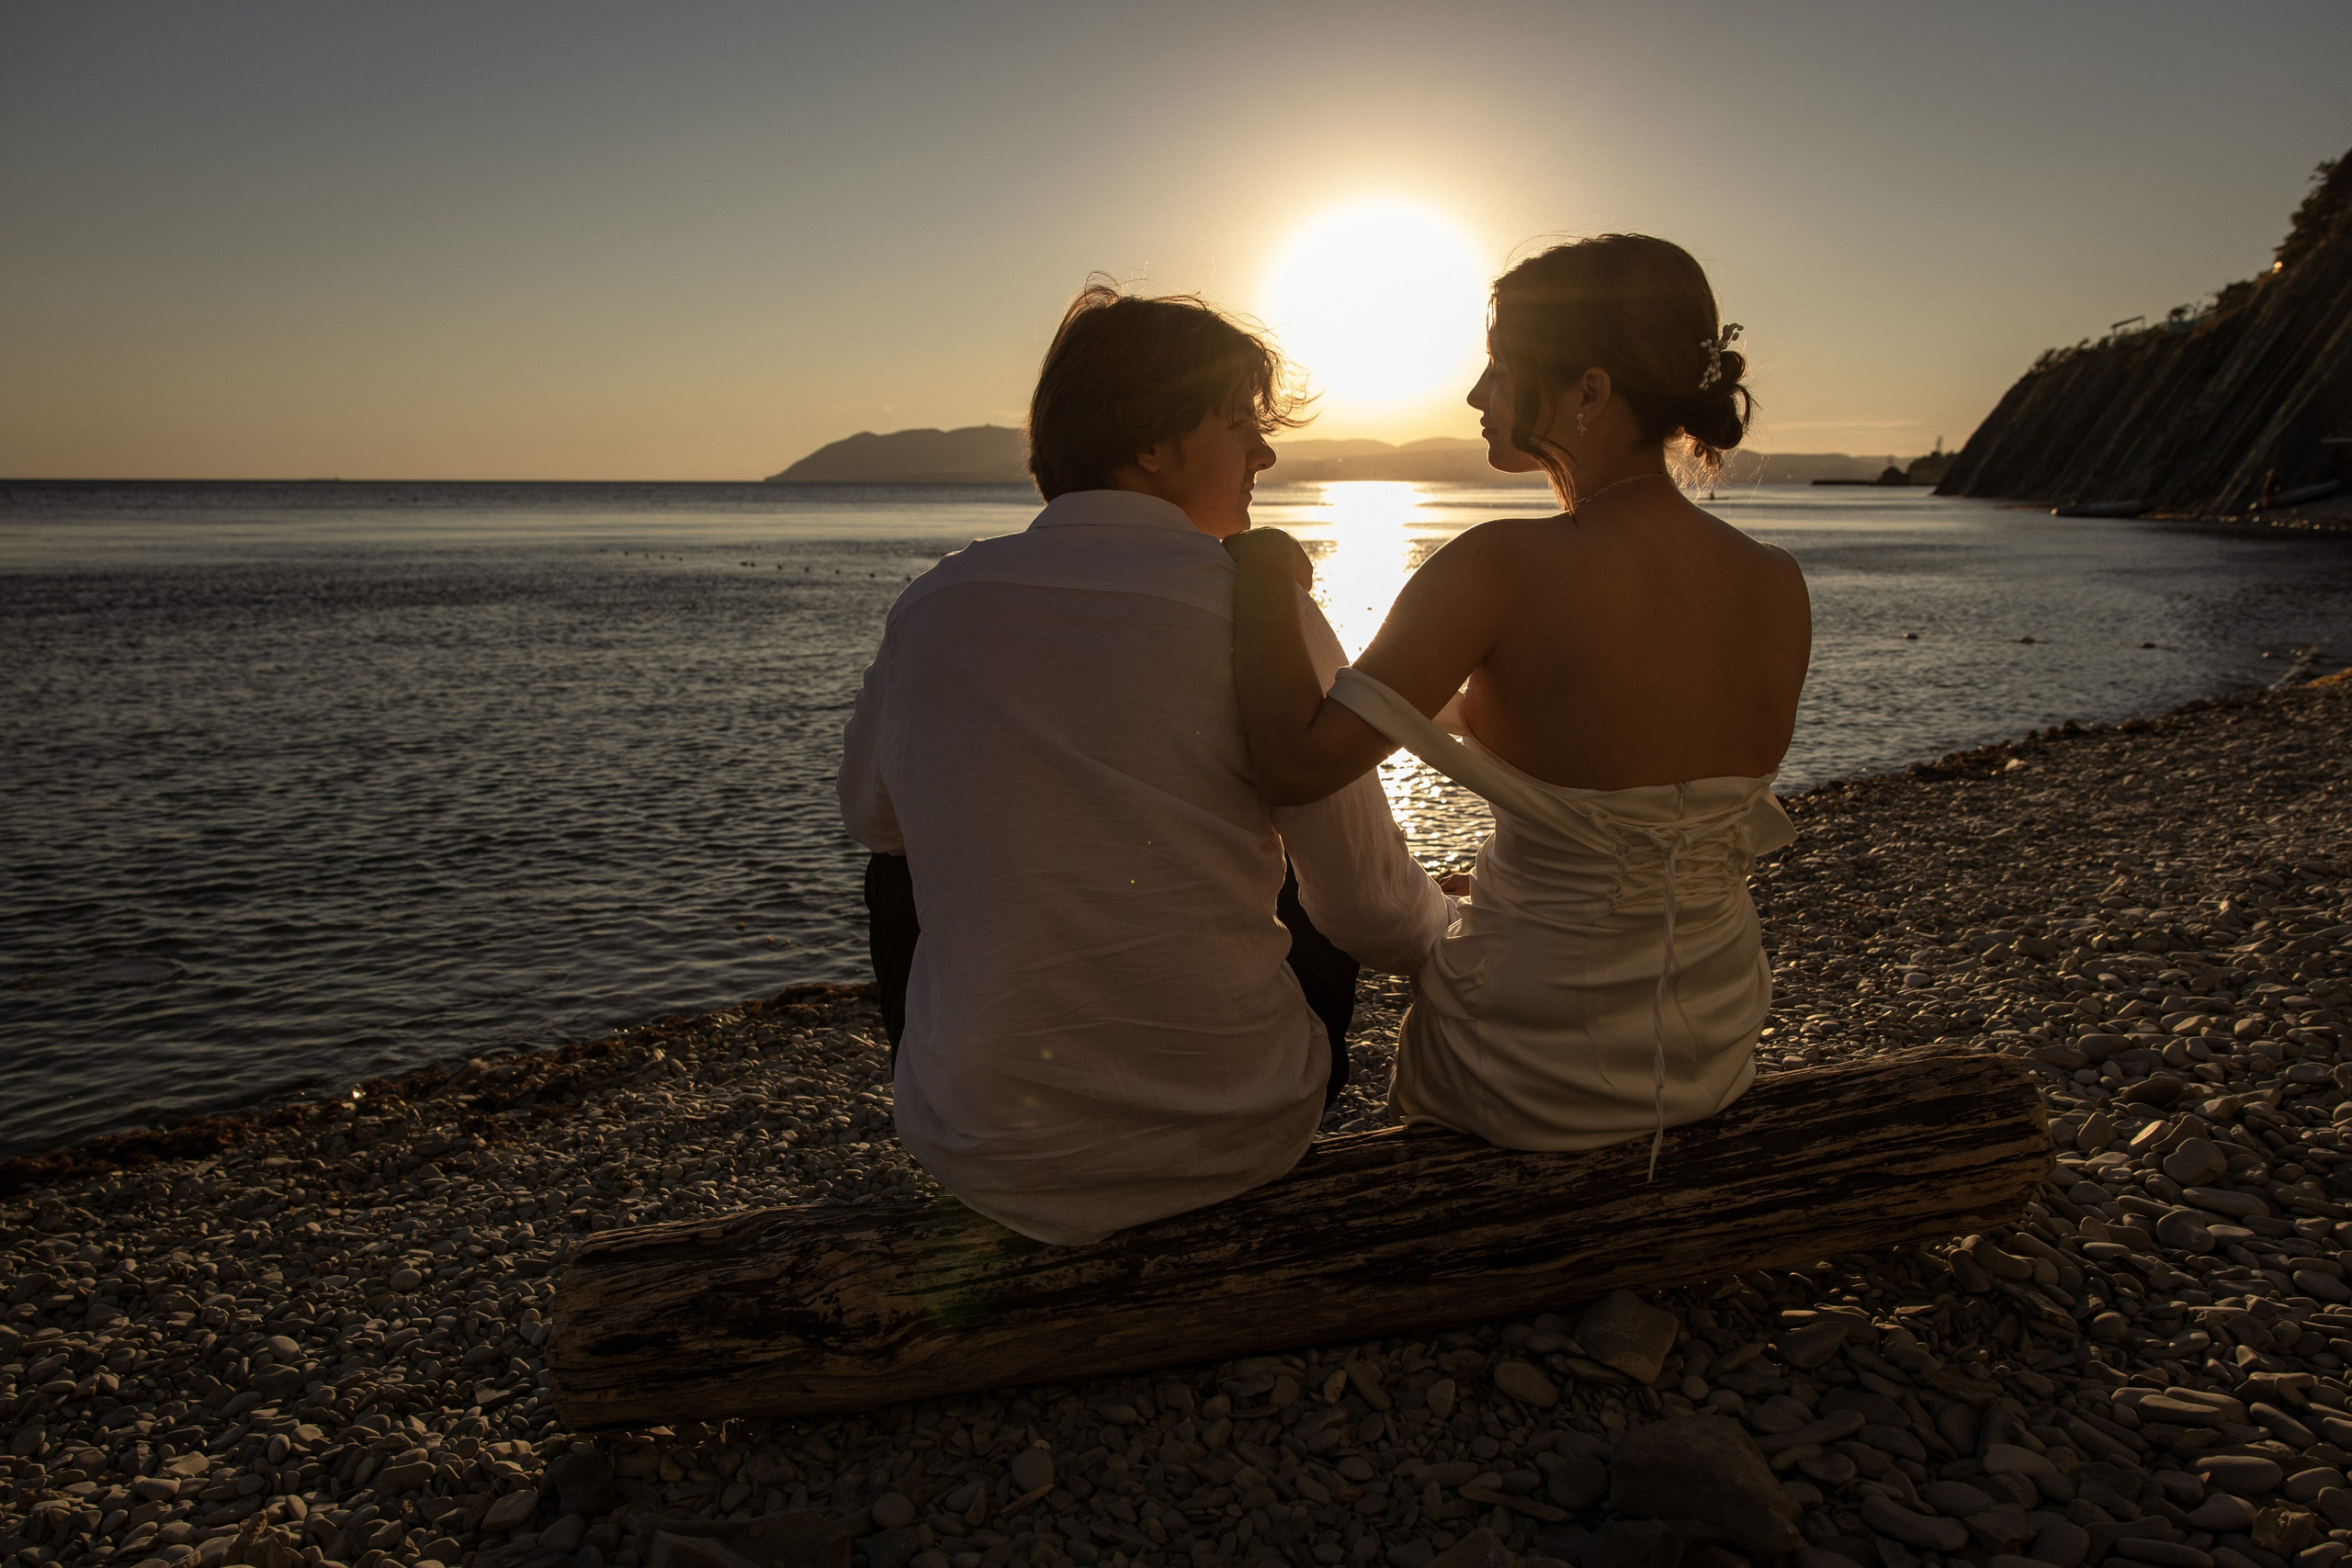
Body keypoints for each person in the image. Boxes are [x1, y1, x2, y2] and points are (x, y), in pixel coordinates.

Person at [838, 283, 1447, 1245]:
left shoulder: (935, 605)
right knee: (1300, 852)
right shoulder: (1255, 607)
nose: (1265, 451)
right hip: (1240, 1132)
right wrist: (1460, 949)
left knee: (902, 865)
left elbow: (873, 822)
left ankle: (996, 1080)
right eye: (1240, 423)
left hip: (980, 1149)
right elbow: (1369, 909)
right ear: (1152, 442)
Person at [1225, 234, 1811, 1173]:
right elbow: (1648, 803)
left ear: (1588, 391)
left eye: (1497, 367)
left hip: (1535, 1066)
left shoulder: (1499, 567)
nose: (1474, 394)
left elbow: (1293, 767)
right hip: (1709, 1037)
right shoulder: (1775, 582)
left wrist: (1259, 576)